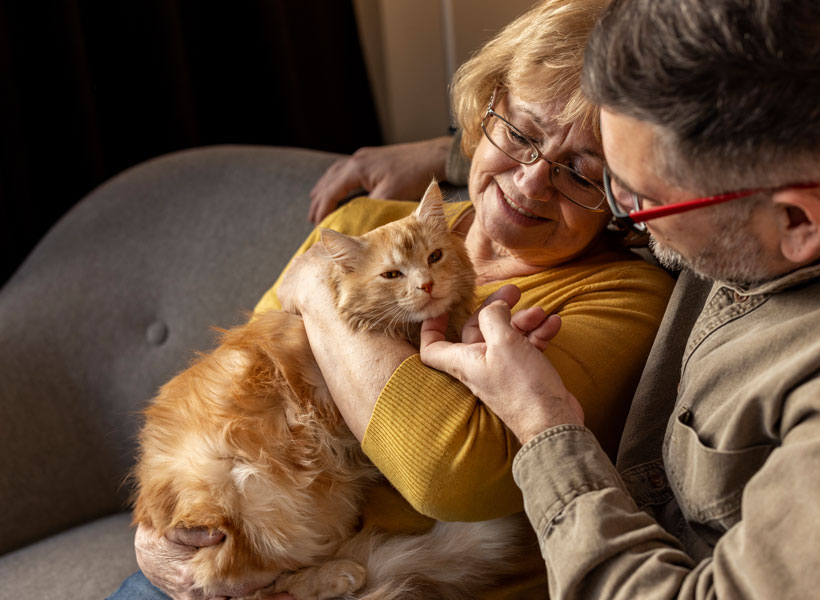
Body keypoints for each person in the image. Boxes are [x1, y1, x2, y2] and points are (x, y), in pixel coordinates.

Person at [112, 1, 676, 598]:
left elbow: (448, 476)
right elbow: (235, 397)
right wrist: (161, 528)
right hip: (235, 556)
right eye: (520, 135)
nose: (531, 180)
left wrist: (317, 296)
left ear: (623, 192)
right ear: (485, 112)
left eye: (581, 173)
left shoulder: (626, 297)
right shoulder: (360, 223)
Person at [419, 0, 820, 598]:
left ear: (796, 223)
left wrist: (543, 423)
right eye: (603, 176)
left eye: (637, 198)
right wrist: (446, 152)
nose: (624, 217)